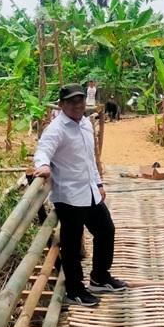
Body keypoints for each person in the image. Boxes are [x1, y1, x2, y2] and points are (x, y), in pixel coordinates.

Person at [34, 83, 128, 307]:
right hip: (69, 195)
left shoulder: (85, 123)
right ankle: (75, 290)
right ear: (61, 104)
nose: (77, 105)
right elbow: (43, 150)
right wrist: (43, 166)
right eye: (71, 102)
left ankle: (100, 277)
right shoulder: (56, 129)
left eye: (80, 100)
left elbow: (89, 158)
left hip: (89, 191)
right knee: (72, 244)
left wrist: (98, 183)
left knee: (106, 230)